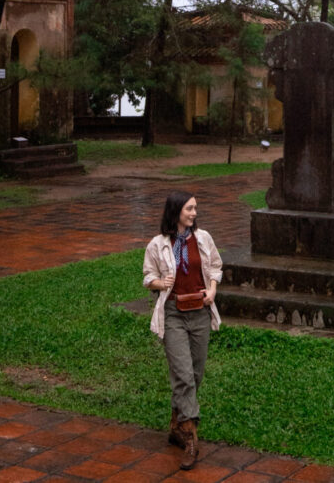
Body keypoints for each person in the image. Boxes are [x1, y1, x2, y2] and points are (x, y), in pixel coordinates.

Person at [142, 191, 223, 470]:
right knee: (184, 375)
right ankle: (190, 436)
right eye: (189, 208)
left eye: (196, 208)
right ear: (176, 211)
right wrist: (159, 283)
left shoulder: (203, 238)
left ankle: (176, 424)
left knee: (195, 374)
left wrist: (211, 291)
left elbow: (215, 267)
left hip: (200, 312)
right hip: (174, 314)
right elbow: (147, 277)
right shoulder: (157, 244)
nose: (194, 213)